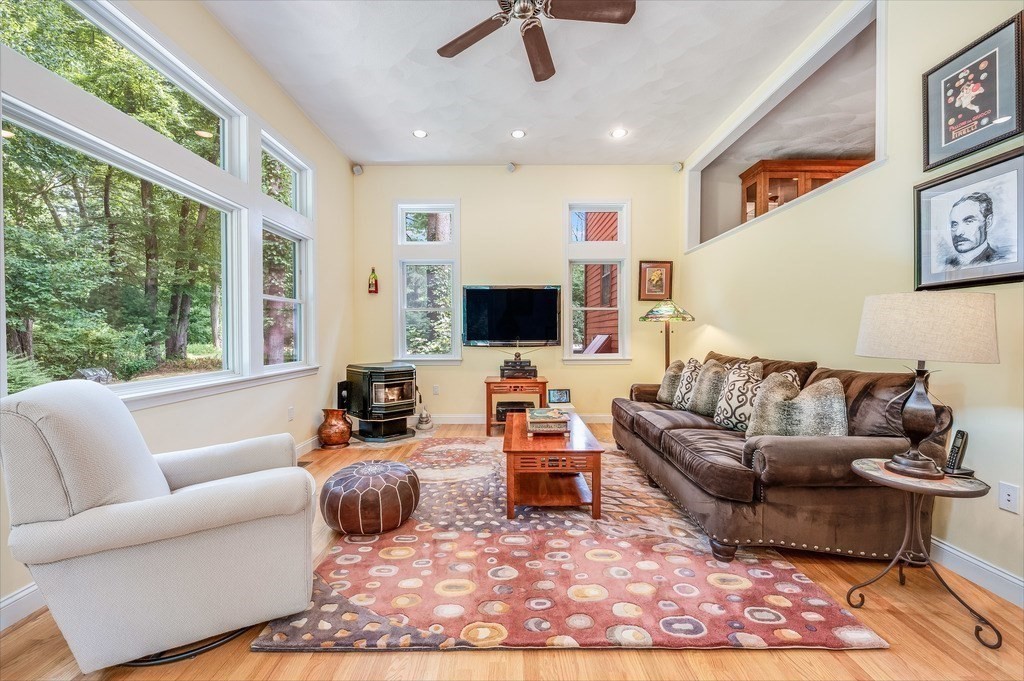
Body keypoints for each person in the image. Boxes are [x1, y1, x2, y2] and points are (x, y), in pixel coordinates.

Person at [945, 191, 1006, 268]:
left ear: (988, 222)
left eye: (969, 221)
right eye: (954, 224)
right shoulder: (948, 264)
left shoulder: (1000, 261)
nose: (958, 232)